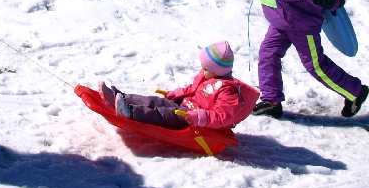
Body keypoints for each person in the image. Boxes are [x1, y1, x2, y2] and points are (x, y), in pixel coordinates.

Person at [223, 0, 368, 119]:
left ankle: (355, 92)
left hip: (301, 23)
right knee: (267, 54)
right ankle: (271, 101)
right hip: (281, 20)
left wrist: (330, 1)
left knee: (315, 65)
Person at [98, 41, 258, 130]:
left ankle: (131, 112)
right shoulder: (207, 75)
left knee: (163, 113)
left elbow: (224, 115)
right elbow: (192, 89)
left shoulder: (227, 91)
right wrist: (176, 94)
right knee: (155, 101)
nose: (202, 70)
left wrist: (200, 116)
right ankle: (121, 98)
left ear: (219, 70)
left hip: (192, 118)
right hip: (184, 104)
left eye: (206, 68)